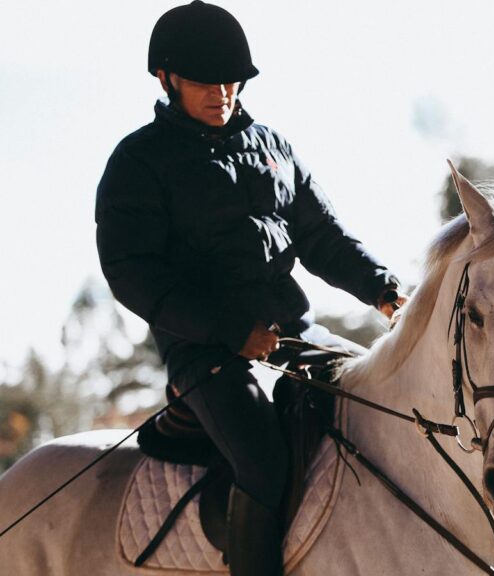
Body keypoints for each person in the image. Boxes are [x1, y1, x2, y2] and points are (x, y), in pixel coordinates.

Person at [94, 3, 406, 574]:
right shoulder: (138, 163)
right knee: (263, 461)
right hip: (205, 350)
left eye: (230, 80)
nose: (221, 92)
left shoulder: (274, 147)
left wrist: (382, 288)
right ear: (167, 79)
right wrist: (230, 332)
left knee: (381, 403)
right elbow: (132, 273)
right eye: (203, 82)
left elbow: (323, 237)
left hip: (293, 329)